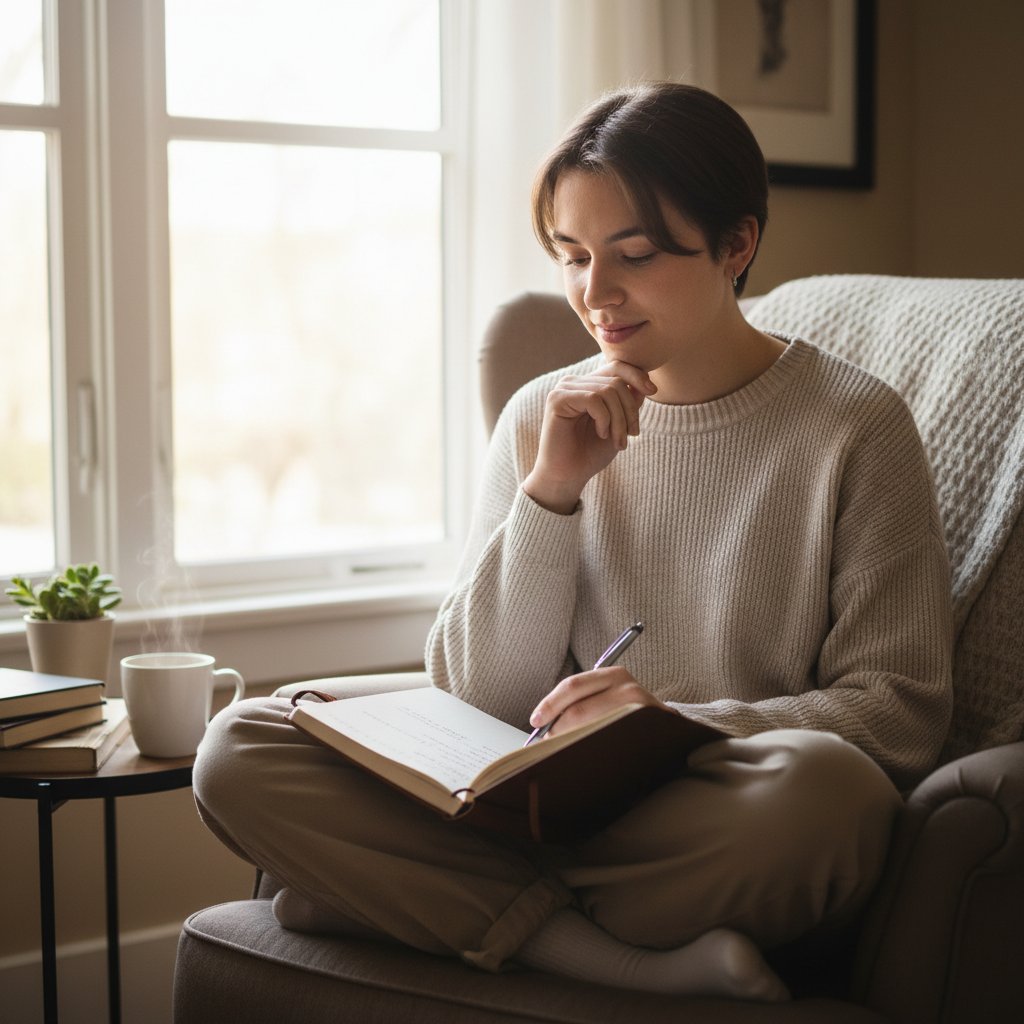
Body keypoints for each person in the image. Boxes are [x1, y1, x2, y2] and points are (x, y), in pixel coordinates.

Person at [193, 82, 953, 1002]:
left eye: (633, 255)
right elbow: (478, 693)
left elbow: (898, 716)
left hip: (708, 811)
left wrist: (669, 728)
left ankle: (394, 901)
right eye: (573, 256)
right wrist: (552, 492)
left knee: (831, 795)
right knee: (241, 746)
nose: (596, 295)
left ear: (736, 245)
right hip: (523, 802)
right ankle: (610, 957)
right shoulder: (540, 418)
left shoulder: (858, 428)